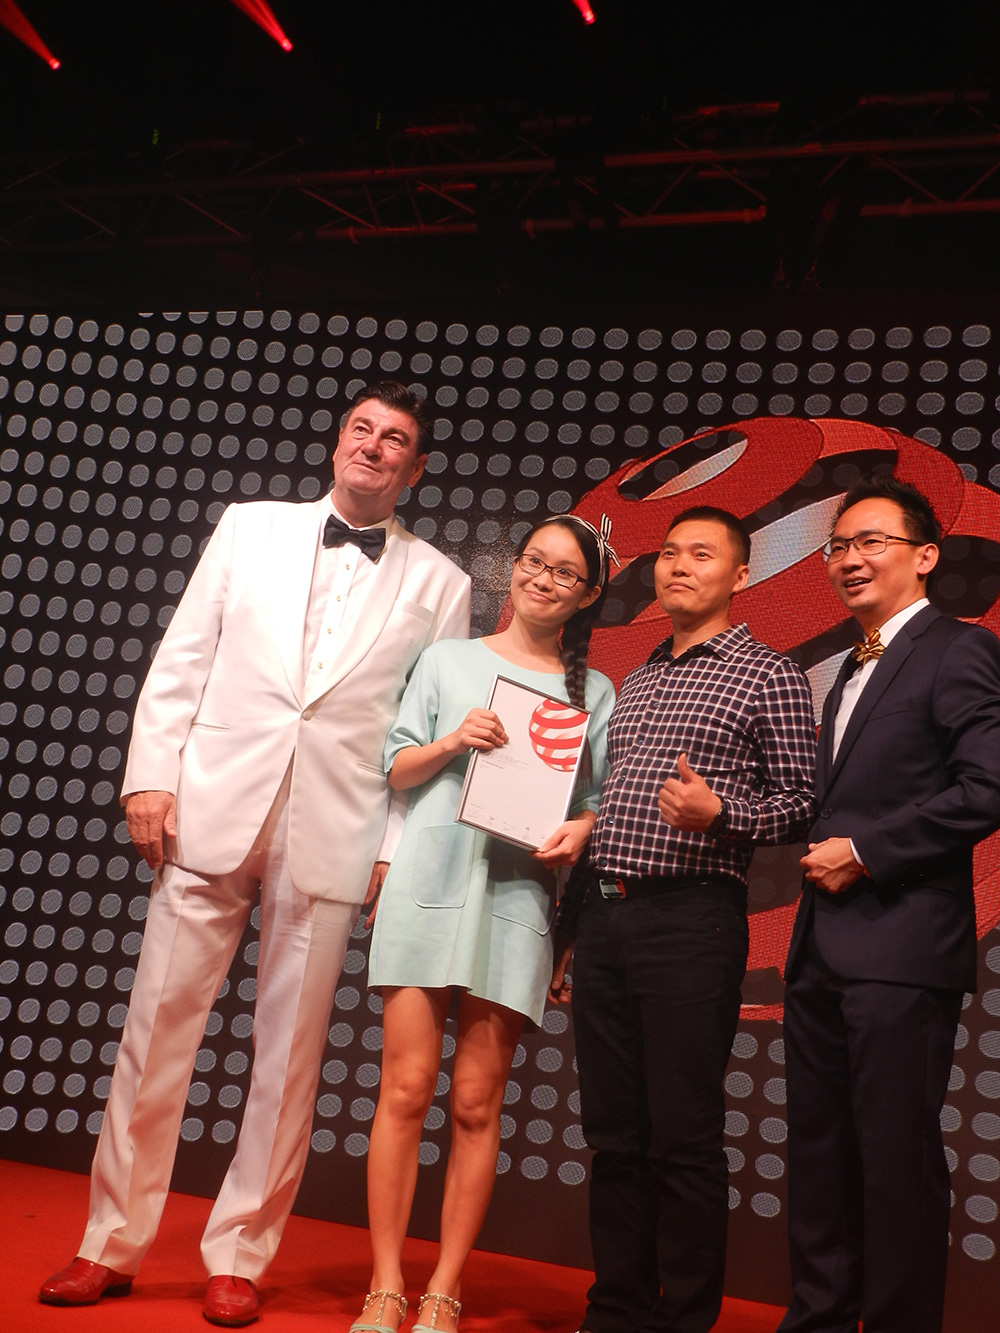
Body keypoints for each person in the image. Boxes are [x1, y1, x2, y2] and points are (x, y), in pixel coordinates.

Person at [39, 382, 471, 1327]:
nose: (373, 446)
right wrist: (151, 776)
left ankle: (240, 1252)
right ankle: (108, 1239)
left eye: (394, 438)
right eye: (362, 428)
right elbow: (183, 656)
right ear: (338, 442)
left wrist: (394, 844)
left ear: (414, 467)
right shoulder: (249, 525)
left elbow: (425, 725)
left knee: (289, 1055)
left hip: (339, 826)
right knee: (155, 1029)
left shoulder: (442, 581)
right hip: (212, 803)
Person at [349, 514, 617, 1333]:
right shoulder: (448, 660)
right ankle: (386, 1282)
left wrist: (583, 830)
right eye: (534, 561)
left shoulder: (594, 693)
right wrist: (453, 741)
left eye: (564, 572)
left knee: (474, 1103)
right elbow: (396, 765)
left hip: (516, 902)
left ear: (588, 594)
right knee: (403, 1090)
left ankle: (445, 1286)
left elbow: (598, 803)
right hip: (427, 886)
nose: (542, 579)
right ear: (514, 567)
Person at [560, 505, 817, 1333]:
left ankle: (684, 1318)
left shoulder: (768, 674)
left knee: (683, 1136)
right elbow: (607, 808)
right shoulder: (636, 679)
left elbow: (803, 802)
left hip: (692, 921)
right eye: (669, 552)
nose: (677, 566)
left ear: (740, 574)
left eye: (701, 554)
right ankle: (616, 1308)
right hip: (607, 919)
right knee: (614, 1134)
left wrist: (723, 812)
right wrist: (571, 932)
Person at [778, 474, 1000, 1333]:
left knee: (894, 1159)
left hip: (903, 949)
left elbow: (987, 786)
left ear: (926, 556)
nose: (850, 558)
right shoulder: (849, 668)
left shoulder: (959, 649)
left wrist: (868, 851)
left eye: (872, 541)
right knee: (820, 1153)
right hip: (822, 950)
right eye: (838, 545)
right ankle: (819, 1318)